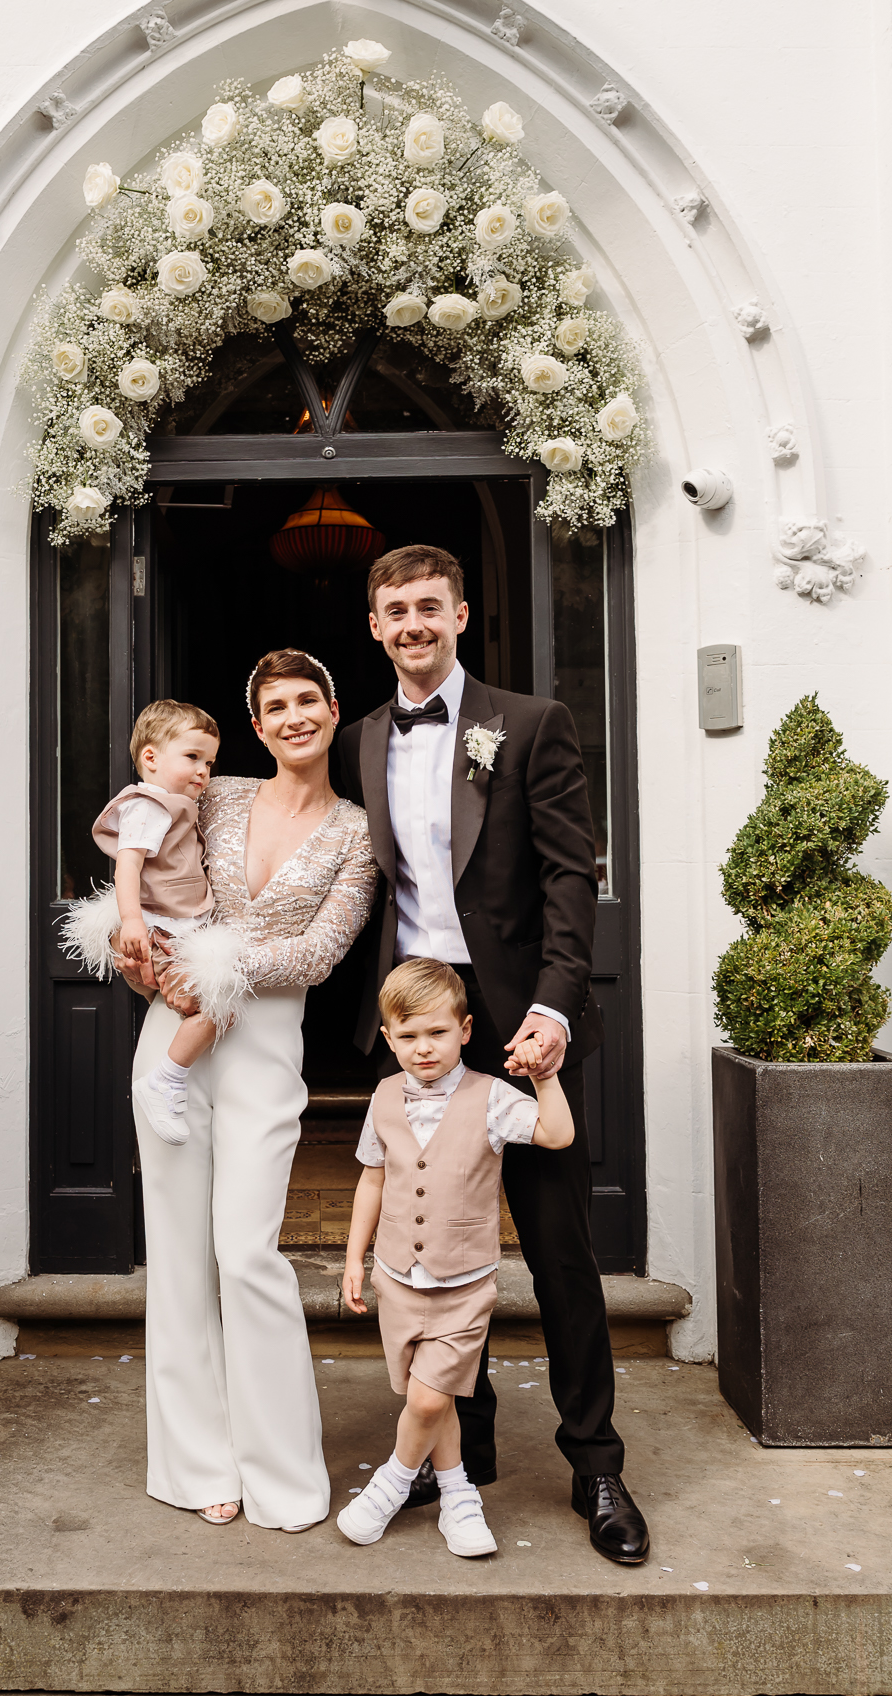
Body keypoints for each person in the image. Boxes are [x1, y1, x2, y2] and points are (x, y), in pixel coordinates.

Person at [337, 545, 651, 1566]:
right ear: (375, 624)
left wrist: (558, 1004)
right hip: (420, 1038)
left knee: (560, 1254)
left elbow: (569, 870)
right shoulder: (361, 737)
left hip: (522, 1034)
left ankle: (595, 1461)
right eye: (395, 609)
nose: (412, 622)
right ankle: (455, 1452)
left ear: (461, 613)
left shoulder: (526, 722)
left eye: (429, 604)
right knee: (430, 1256)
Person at [128, 649, 376, 1531]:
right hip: (174, 1046)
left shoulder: (355, 830)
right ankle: (198, 1466)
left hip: (266, 1049)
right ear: (258, 724)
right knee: (181, 1259)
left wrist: (216, 966)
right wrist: (152, 961)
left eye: (307, 698)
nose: (292, 716)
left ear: (333, 708)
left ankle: (281, 1472)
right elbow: (148, 870)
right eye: (274, 705)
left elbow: (319, 954)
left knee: (246, 1254)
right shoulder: (216, 791)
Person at [337, 958, 574, 1558]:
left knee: (427, 1398)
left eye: (437, 1033)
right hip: (396, 1277)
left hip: (462, 1284)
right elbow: (371, 1180)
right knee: (427, 1393)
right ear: (388, 1039)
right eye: (408, 1036)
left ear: (465, 1030)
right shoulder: (385, 1097)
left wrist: (544, 1078)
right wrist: (353, 1258)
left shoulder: (490, 1096)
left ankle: (389, 1483)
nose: (423, 1048)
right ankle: (458, 1491)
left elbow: (555, 1134)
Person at [58, 700, 251, 1147]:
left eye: (209, 761)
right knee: (212, 1008)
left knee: (201, 1003)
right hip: (162, 927)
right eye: (192, 757)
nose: (203, 771)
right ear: (150, 758)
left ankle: (169, 1072)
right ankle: (165, 1079)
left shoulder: (175, 804)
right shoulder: (149, 806)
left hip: (179, 927)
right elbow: (128, 866)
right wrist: (131, 922)